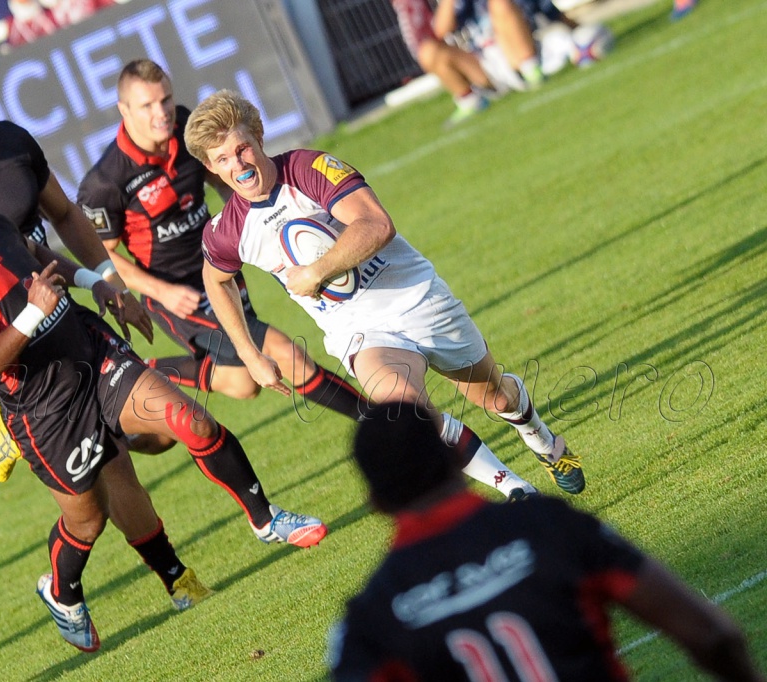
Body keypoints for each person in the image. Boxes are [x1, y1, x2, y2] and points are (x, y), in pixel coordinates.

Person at [0, 176, 327, 648]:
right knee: (89, 519)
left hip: (94, 355)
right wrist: (31, 315)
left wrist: (94, 282)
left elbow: (42, 258)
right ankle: (63, 594)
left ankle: (266, 520)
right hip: (46, 412)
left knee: (191, 421)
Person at [0, 72, 215, 614]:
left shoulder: (11, 143)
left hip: (63, 316)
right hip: (21, 371)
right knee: (108, 481)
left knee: (156, 440)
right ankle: (174, 579)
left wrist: (104, 278)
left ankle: (160, 572)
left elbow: (63, 216)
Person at [187, 90, 583, 499]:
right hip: (356, 329)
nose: (238, 165)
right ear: (210, 166)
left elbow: (376, 225)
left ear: (258, 136)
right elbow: (217, 281)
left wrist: (317, 272)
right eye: (222, 159)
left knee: (496, 397)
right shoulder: (227, 231)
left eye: (242, 149)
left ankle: (541, 438)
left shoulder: (309, 169)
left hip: (415, 298)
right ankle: (516, 490)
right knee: (406, 412)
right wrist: (250, 356)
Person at [327, 403, 766, 682]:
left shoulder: (369, 617)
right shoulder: (548, 526)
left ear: (376, 502)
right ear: (454, 459)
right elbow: (709, 635)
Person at [76, 59, 364, 420]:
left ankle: (142, 370)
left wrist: (261, 225)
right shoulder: (105, 183)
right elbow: (101, 253)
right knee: (283, 353)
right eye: (147, 106)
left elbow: (224, 183)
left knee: (245, 384)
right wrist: (160, 292)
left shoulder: (184, 127)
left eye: (165, 99)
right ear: (124, 110)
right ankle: (386, 423)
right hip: (179, 295)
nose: (161, 113)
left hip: (220, 267)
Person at [390, 0, 497, 126]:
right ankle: (470, 99)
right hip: (476, 58)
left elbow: (442, 28)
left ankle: (524, 66)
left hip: (494, 48)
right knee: (429, 52)